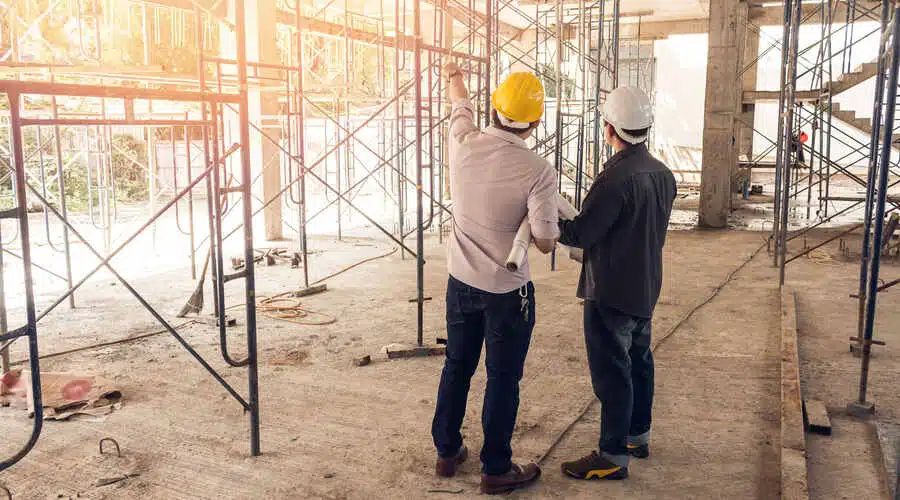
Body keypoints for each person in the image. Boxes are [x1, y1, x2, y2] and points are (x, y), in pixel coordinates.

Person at [431, 62, 559, 495]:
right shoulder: (538, 170)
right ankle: (496, 468)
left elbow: (459, 105)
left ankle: (447, 453)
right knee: (503, 377)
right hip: (507, 292)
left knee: (457, 366)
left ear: (494, 108)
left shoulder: (463, 142)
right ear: (535, 123)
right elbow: (543, 241)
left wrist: (453, 77)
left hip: (460, 282)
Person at [557, 86, 677, 481]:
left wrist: (552, 222)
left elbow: (583, 233)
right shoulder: (663, 174)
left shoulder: (614, 179)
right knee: (639, 363)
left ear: (609, 128)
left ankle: (611, 454)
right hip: (645, 286)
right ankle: (636, 436)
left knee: (613, 373)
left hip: (610, 291)